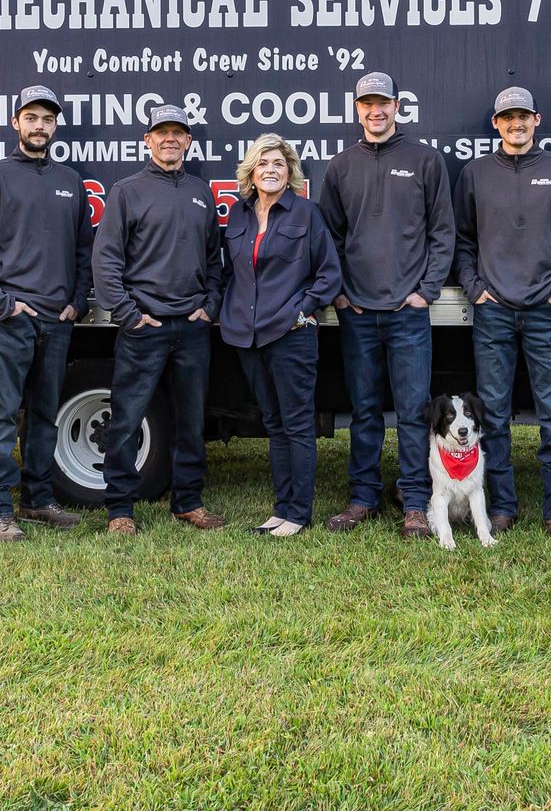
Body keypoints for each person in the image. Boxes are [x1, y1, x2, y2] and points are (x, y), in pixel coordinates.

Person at [314, 72, 456, 540]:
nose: (375, 111)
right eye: (366, 104)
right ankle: (363, 497)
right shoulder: (340, 166)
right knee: (364, 410)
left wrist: (426, 291)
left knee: (414, 412)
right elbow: (329, 237)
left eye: (383, 103)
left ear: (397, 106)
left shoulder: (425, 160)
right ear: (357, 109)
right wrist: (339, 292)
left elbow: (442, 232)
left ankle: (415, 501)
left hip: (407, 313)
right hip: (357, 312)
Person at [453, 87, 551, 542]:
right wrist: (475, 289)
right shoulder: (475, 173)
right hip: (493, 312)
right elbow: (461, 239)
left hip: (545, 313)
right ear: (496, 124)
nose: (516, 124)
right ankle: (502, 507)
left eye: (523, 116)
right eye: (507, 117)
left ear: (537, 119)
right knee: (493, 415)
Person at [0, 85, 92, 542]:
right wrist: (0, 303)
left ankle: (37, 500)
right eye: (31, 117)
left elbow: (83, 248)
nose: (39, 126)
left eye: (47, 119)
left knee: (45, 414)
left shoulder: (70, 180)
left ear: (55, 127)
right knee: (2, 415)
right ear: (16, 122)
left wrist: (77, 300)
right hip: (12, 319)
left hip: (57, 319)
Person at [92, 104, 225, 534]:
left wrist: (211, 305)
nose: (170, 139)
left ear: (188, 141)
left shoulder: (201, 192)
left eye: (177, 132)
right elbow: (106, 259)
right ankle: (120, 509)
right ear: (147, 140)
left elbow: (214, 259)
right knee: (126, 420)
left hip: (192, 327)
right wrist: (129, 314)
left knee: (192, 419)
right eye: (161, 132)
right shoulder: (126, 191)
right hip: (143, 328)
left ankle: (188, 502)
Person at [219, 133, 342, 537]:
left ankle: (298, 513)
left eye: (278, 164)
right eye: (263, 163)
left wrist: (300, 311)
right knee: (273, 423)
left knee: (297, 424)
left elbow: (329, 274)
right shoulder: (238, 215)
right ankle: (281, 509)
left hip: (291, 335)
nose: (270, 170)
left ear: (289, 172)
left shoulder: (306, 213)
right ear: (251, 172)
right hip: (248, 337)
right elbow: (231, 273)